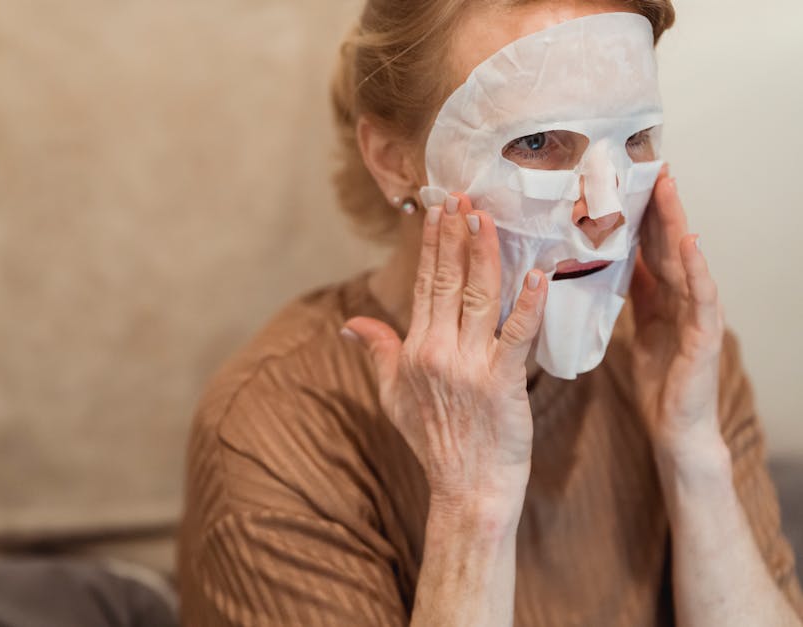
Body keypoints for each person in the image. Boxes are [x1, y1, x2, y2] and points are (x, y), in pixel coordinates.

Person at [177, 0, 803, 625]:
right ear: (394, 160)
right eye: (535, 143)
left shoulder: (675, 355)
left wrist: (693, 453)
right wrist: (471, 509)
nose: (605, 210)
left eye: (634, 138)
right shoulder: (275, 431)